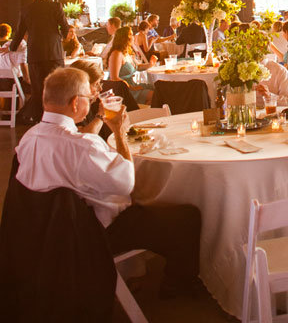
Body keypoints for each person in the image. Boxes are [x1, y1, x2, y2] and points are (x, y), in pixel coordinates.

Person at [15, 68, 202, 297]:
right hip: (91, 234)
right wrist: (119, 133)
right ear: (75, 103)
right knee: (187, 217)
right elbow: (126, 183)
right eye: (89, 97)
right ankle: (177, 285)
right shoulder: (81, 145)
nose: (93, 100)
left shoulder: (28, 138)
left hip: (42, 235)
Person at [10, 0, 69, 122]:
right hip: (54, 53)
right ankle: (58, 118)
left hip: (35, 54)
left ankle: (39, 120)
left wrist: (12, 48)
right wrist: (60, 38)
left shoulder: (26, 10)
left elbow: (19, 32)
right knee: (57, 87)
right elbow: (65, 27)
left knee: (38, 90)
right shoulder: (55, 6)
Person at [107, 27, 153, 106]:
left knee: (157, 88)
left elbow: (137, 67)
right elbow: (114, 78)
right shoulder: (116, 54)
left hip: (132, 85)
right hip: (123, 89)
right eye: (131, 34)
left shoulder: (126, 52)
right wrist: (132, 87)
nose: (133, 37)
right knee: (154, 95)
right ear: (124, 38)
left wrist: (150, 64)